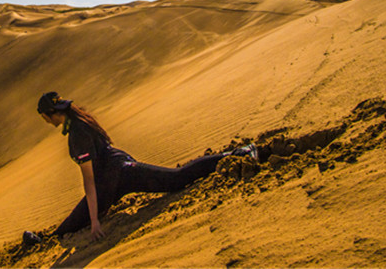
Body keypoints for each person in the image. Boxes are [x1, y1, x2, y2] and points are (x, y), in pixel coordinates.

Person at [33, 91, 259, 242]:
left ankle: (238, 153)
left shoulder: (77, 134)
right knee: (74, 220)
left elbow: (89, 181)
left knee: (176, 179)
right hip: (116, 172)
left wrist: (95, 222)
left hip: (118, 176)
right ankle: (43, 239)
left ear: (48, 115)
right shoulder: (80, 119)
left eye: (43, 117)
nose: (44, 121)